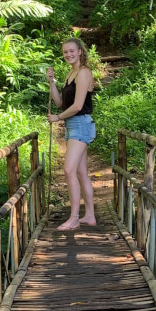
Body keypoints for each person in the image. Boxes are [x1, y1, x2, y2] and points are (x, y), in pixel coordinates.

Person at [47, 38, 97, 231]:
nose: (68, 54)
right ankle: (90, 215)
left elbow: (77, 106)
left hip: (81, 125)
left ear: (80, 51)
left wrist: (58, 117)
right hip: (72, 126)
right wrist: (51, 83)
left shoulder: (84, 73)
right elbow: (61, 103)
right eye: (65, 52)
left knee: (69, 170)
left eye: (71, 51)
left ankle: (75, 217)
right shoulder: (70, 74)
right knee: (81, 172)